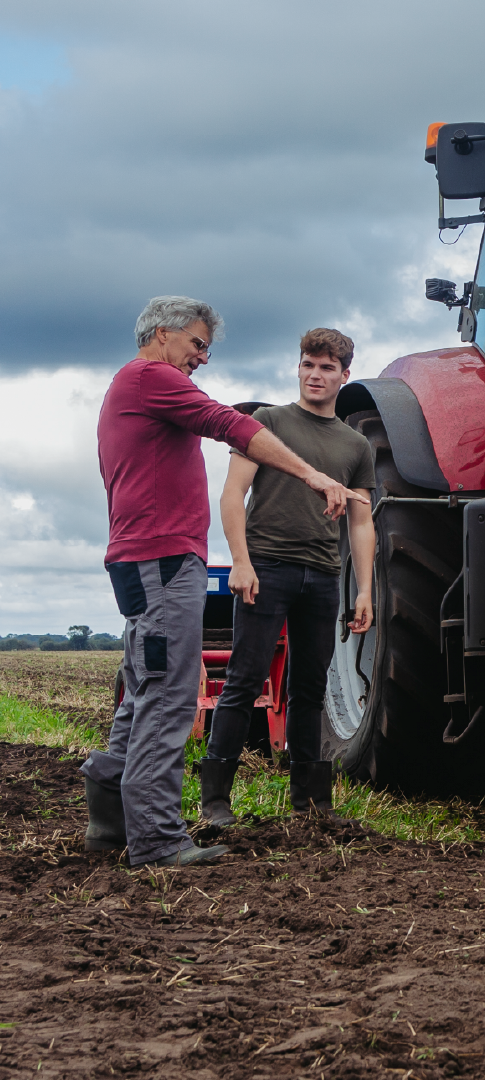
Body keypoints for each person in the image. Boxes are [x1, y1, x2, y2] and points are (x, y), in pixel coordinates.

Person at [86, 297, 367, 868]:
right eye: (197, 344)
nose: (202, 358)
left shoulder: (135, 386)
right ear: (162, 336)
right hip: (162, 561)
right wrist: (312, 474)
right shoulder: (150, 377)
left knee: (141, 690)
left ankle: (111, 825)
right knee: (167, 695)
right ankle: (158, 839)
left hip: (148, 558)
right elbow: (228, 425)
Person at [198, 328, 375, 827]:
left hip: (322, 573)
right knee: (244, 679)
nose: (315, 375)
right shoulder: (267, 423)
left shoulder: (355, 444)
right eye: (307, 365)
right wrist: (240, 561)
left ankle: (312, 804)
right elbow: (233, 495)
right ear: (298, 368)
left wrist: (364, 589)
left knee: (310, 688)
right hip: (267, 567)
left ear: (345, 375)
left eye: (326, 368)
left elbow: (362, 521)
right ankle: (216, 802)